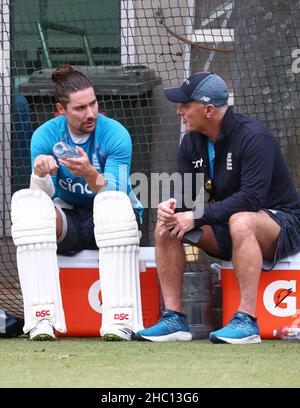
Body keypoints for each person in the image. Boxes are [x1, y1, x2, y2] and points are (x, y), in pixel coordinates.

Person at [135, 71, 300, 344]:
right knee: (167, 225)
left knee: (242, 220)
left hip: (282, 224)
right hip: (228, 225)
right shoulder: (191, 142)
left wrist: (197, 217)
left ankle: (247, 320)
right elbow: (185, 195)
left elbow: (250, 199)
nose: (179, 111)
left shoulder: (255, 138)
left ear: (208, 109)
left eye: (186, 105)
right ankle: (174, 318)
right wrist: (172, 207)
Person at [11, 64, 144, 341]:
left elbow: (116, 193)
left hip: (110, 221)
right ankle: (41, 320)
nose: (91, 113)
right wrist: (39, 173)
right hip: (71, 219)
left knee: (112, 207)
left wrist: (89, 173)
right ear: (61, 109)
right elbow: (42, 195)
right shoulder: (45, 136)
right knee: (30, 206)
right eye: (80, 108)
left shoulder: (115, 134)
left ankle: (120, 321)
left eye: (93, 103)